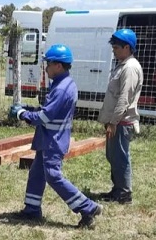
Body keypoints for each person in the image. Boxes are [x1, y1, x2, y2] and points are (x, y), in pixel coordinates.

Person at [9, 44, 103, 228]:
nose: (46, 67)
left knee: (52, 175)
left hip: (53, 140)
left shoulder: (60, 89)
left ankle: (88, 207)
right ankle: (32, 210)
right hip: (50, 138)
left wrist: (21, 114)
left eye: (48, 64)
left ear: (58, 66)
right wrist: (28, 108)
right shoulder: (65, 83)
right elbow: (50, 111)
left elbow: (44, 117)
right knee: (37, 173)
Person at [97, 29, 143, 205]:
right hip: (117, 121)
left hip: (122, 122)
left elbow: (125, 97)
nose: (114, 50)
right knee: (114, 156)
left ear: (127, 47)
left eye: (116, 47)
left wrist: (114, 122)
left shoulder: (130, 68)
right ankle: (117, 189)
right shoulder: (124, 65)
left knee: (120, 157)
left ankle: (124, 194)